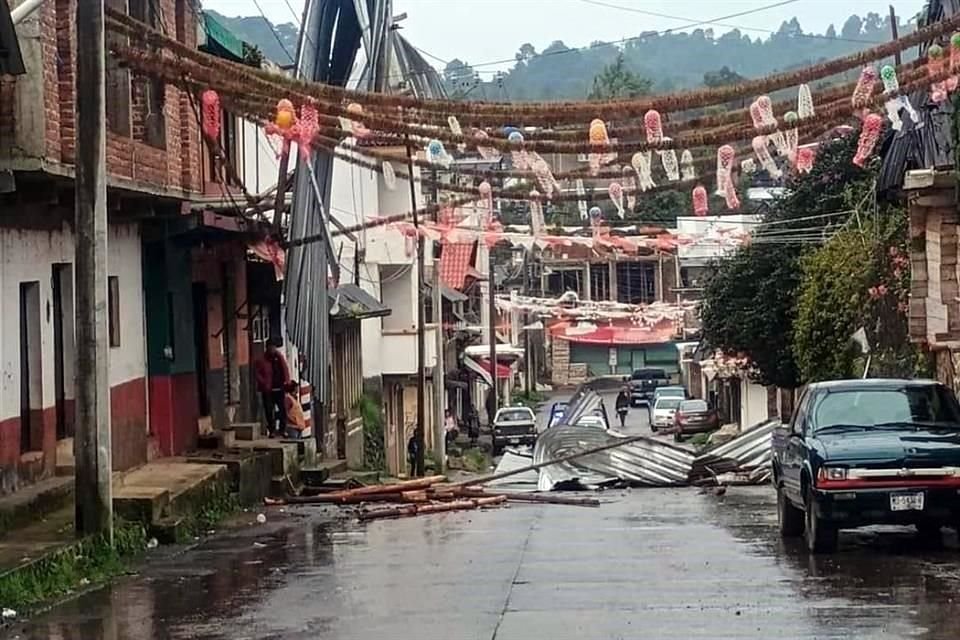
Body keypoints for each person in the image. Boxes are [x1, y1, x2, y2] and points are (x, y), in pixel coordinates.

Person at [254, 337, 291, 437]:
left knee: (282, 410)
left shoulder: (279, 358)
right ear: (267, 347)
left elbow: (285, 370)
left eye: (274, 347)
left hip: (279, 388)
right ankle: (272, 430)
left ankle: (282, 430)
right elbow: (257, 374)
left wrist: (287, 382)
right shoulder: (261, 360)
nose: (272, 349)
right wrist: (264, 383)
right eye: (270, 347)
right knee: (269, 411)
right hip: (267, 390)